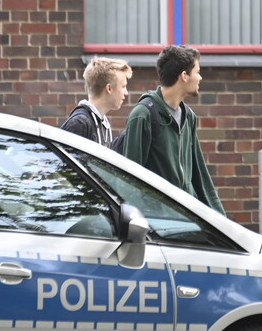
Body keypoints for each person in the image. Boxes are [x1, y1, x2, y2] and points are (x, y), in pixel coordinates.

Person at [120, 45, 225, 215]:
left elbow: (200, 177)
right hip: (159, 222)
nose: (200, 77)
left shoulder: (189, 116)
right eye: (197, 72)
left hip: (187, 218)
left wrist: (221, 220)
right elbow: (130, 181)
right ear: (184, 76)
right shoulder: (143, 115)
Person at [61, 57, 132, 146]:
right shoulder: (80, 123)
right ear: (109, 88)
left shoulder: (101, 122)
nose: (126, 93)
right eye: (123, 86)